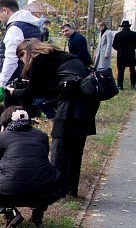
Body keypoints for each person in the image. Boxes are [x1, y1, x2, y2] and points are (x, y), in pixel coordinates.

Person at [9, 39, 98, 197]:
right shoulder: (59, 55)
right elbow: (49, 89)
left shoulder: (39, 59)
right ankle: (71, 190)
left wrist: (13, 92)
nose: (23, 61)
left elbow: (34, 91)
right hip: (88, 102)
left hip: (70, 104)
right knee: (76, 149)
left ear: (26, 52)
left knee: (60, 147)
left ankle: (56, 190)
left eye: (21, 56)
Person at [0, 107, 64, 228]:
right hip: (45, 191)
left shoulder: (3, 136)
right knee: (41, 176)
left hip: (10, 190)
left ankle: (10, 212)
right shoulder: (42, 136)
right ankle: (37, 214)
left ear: (5, 123)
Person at [0, 0, 42, 110]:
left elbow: (11, 60)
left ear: (5, 10)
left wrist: (1, 85)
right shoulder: (32, 25)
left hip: (16, 82)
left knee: (13, 118)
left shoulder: (14, 29)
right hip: (30, 79)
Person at [113, 21, 136, 90]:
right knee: (132, 70)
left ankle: (120, 86)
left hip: (121, 55)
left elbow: (114, 46)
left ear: (122, 27)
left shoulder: (118, 35)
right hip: (131, 55)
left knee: (121, 71)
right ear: (129, 26)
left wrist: (120, 49)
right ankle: (133, 84)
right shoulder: (134, 34)